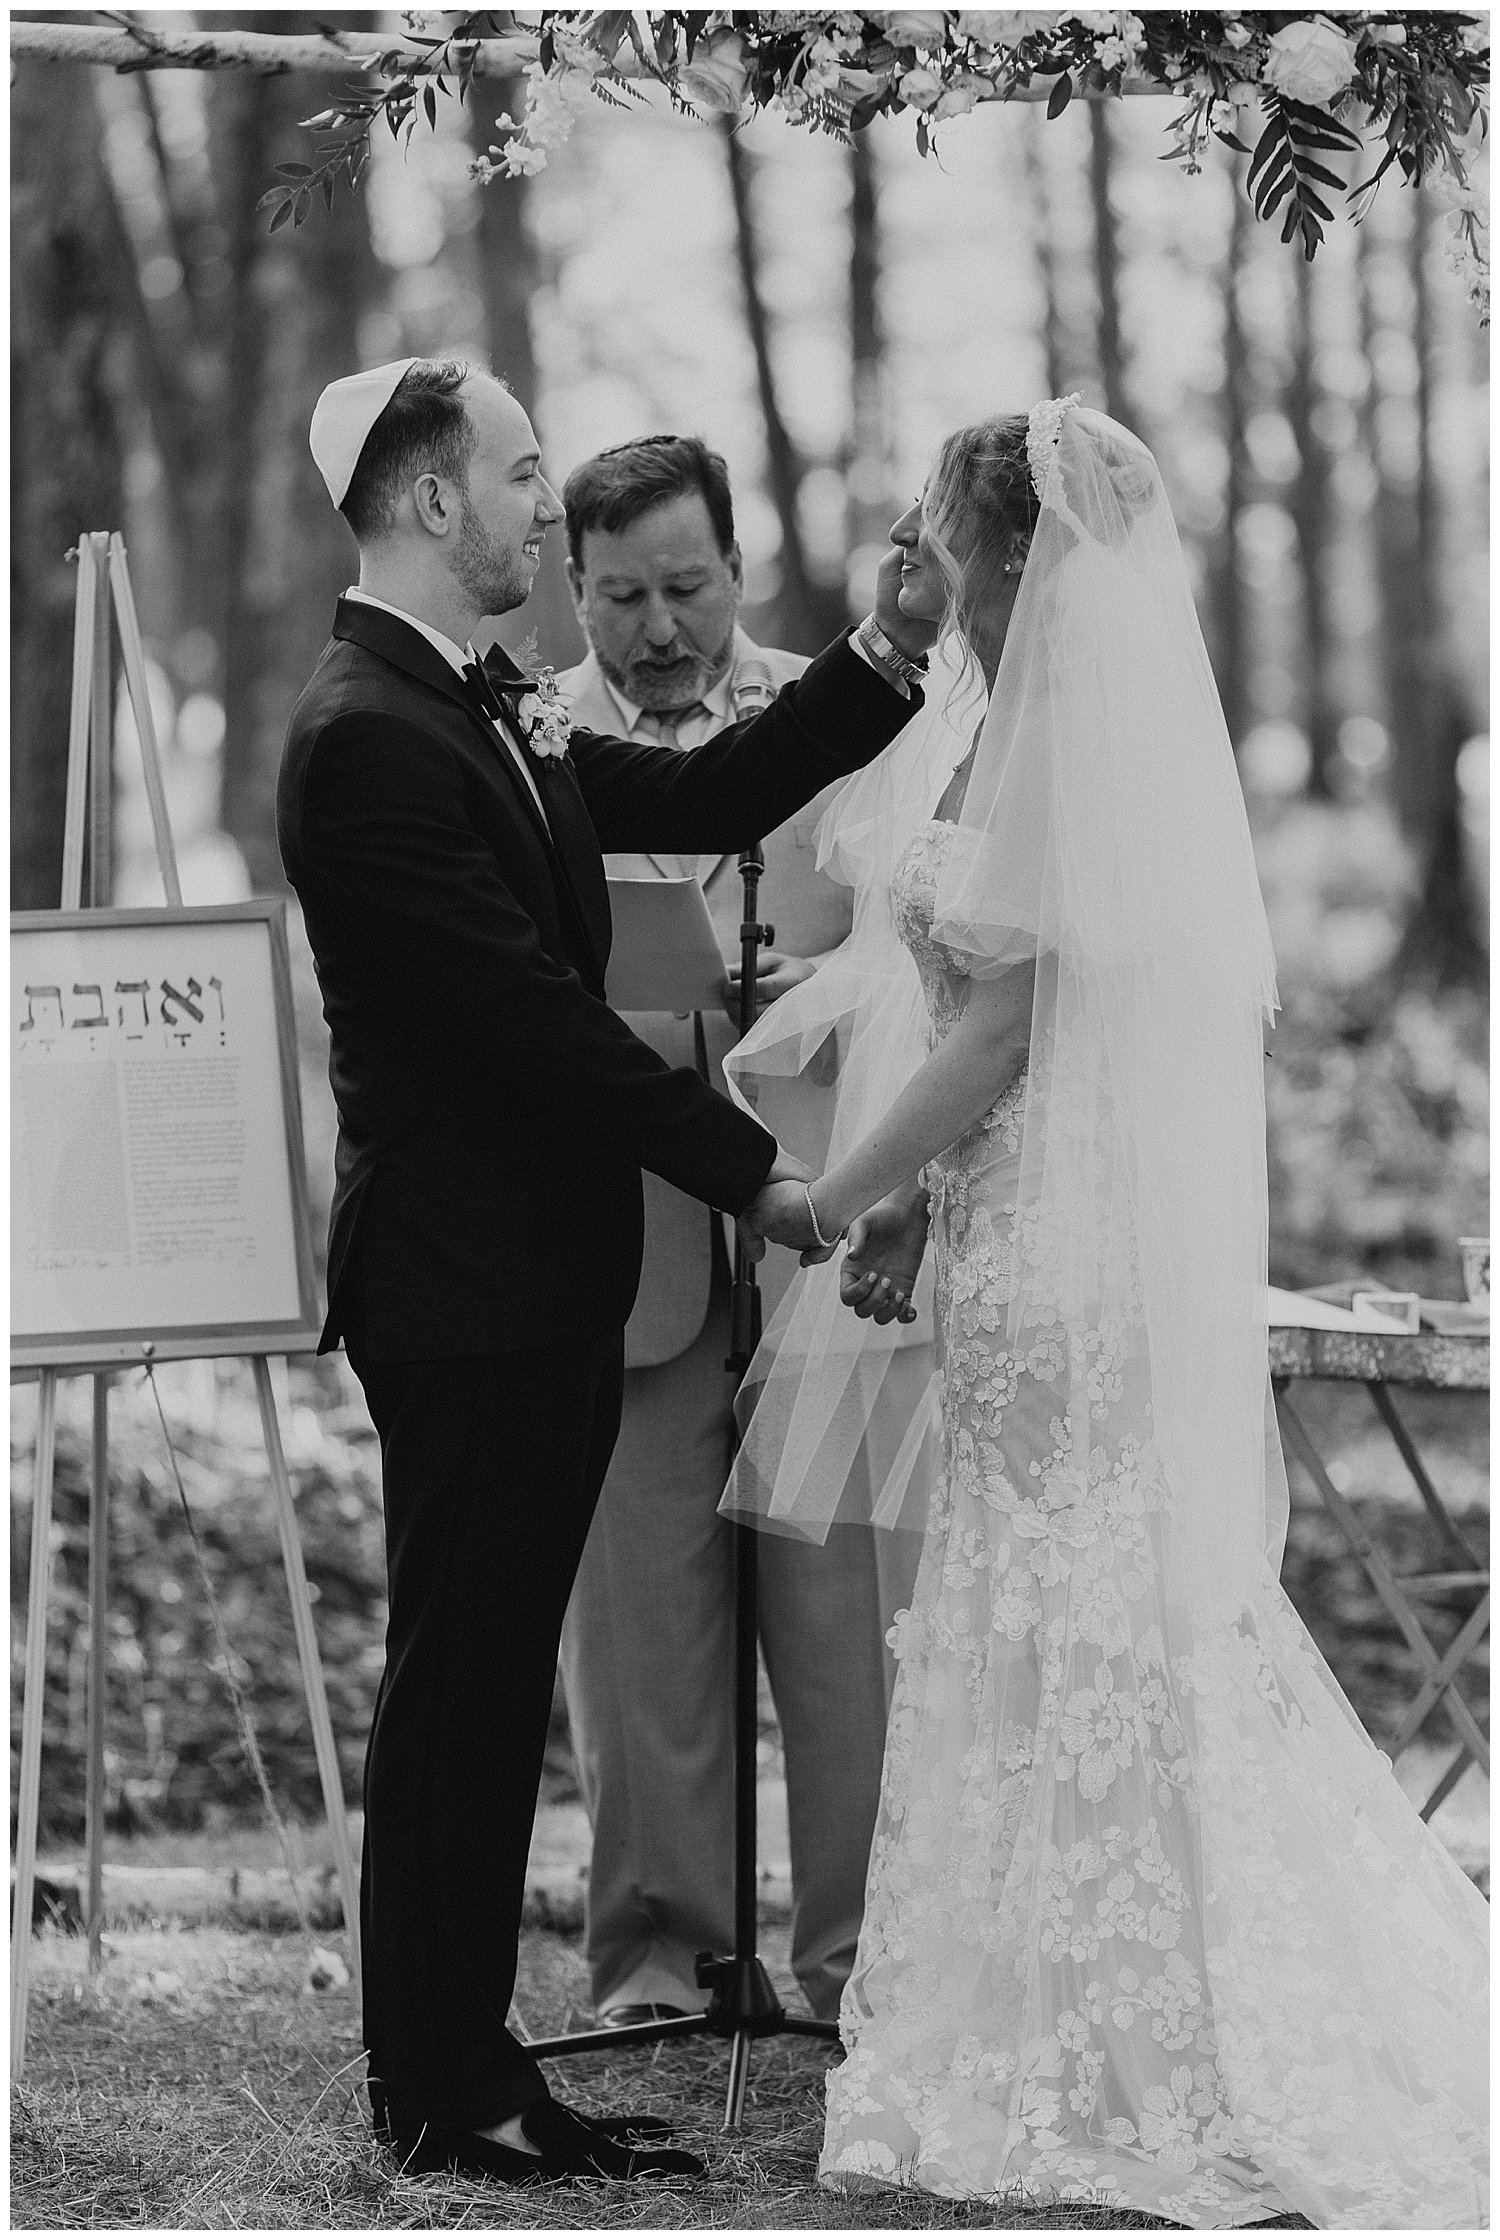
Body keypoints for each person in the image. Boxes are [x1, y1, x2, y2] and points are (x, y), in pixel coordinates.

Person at [722, 400, 1489, 2226]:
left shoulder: (1070, 740)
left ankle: (1135, 2028)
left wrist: (831, 1194)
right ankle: (1053, 1995)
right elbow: (1015, 1034)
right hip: (1004, 1234)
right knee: (1036, 1609)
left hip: (1070, 1266)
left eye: (933, 524)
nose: (912, 548)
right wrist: (914, 1193)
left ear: (1007, 551)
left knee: (1093, 1619)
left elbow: (1006, 1030)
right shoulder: (998, 728)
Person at [275, 357, 936, 2186]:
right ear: (430, 502)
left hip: (542, 1280)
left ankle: (476, 2067)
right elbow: (535, 1028)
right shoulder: (366, 739)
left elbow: (720, 780)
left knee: (483, 1689)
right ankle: (442, 2089)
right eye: (517, 471)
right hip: (467, 1286)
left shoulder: (477, 710)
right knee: (465, 1685)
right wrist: (775, 1187)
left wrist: (882, 657)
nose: (538, 505)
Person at [552, 433, 926, 2030]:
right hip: (621, 1243)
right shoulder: (527, 741)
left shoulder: (842, 721)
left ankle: (864, 1960)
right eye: (623, 594)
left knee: (849, 1621)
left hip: (827, 1228)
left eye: (688, 587)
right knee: (638, 1619)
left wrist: (818, 1004)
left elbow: (936, 951)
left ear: (740, 570)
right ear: (574, 587)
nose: (659, 627)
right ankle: (664, 1962)